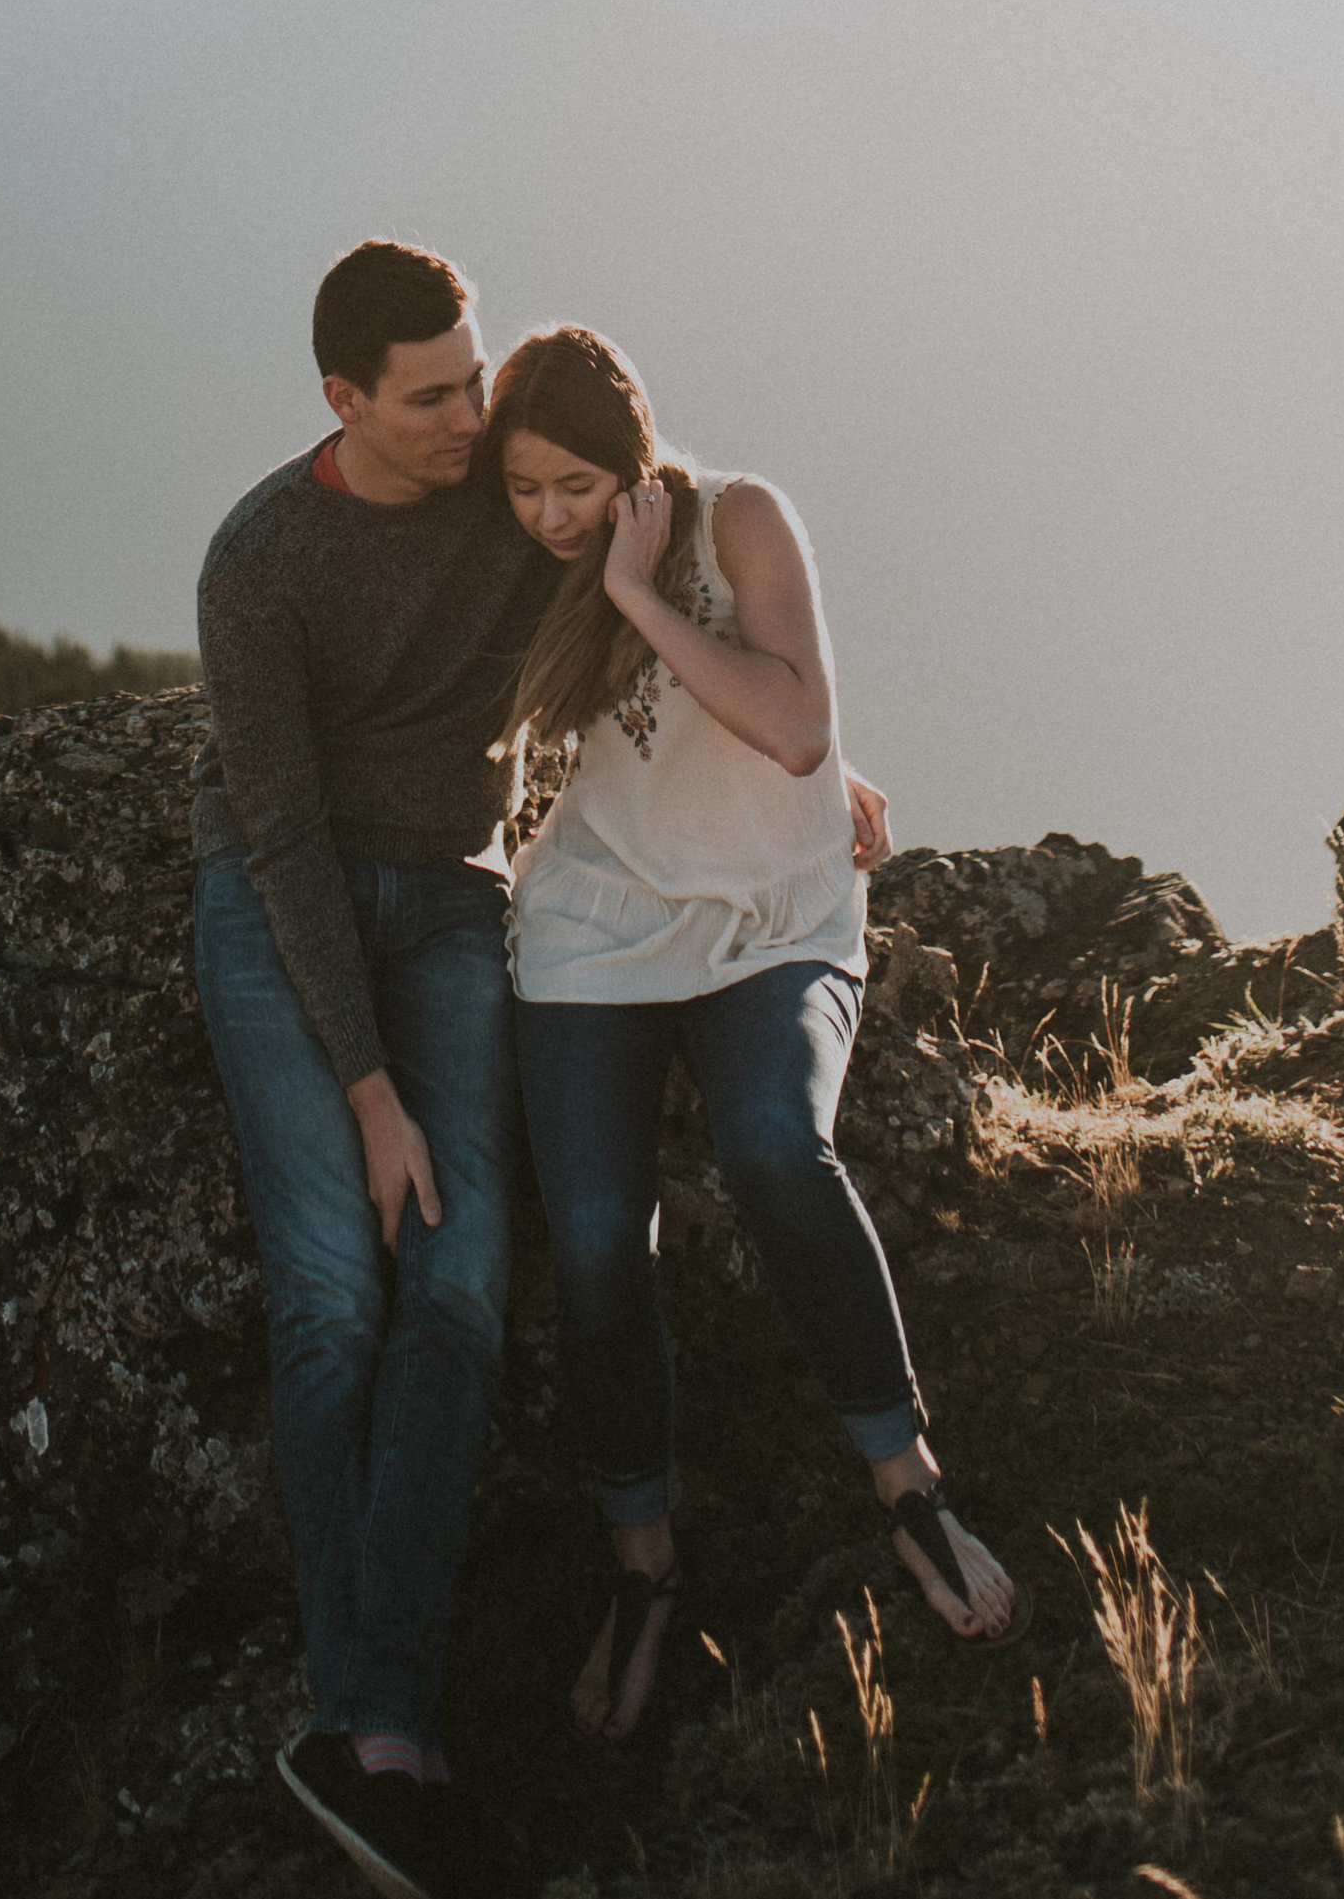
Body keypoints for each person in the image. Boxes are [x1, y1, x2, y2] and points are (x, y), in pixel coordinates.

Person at [193, 247, 894, 1899]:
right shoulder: (262, 554)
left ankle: (378, 1734)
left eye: (474, 376)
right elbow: (281, 831)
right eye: (432, 393)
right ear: (342, 399)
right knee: (329, 1295)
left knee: (457, 1281)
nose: (471, 416)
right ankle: (384, 1731)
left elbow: (648, 567)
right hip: (279, 899)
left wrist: (833, 762)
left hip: (452, 892)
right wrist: (367, 1088)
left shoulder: (510, 499)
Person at [486, 324, 1031, 1748]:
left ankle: (907, 1482)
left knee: (777, 1148)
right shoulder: (525, 556)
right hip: (598, 923)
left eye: (577, 484)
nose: (550, 515)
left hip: (776, 921)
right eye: (526, 488)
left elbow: (794, 731)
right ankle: (643, 1565)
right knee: (598, 1234)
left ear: (636, 455)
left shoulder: (737, 521)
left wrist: (634, 591)